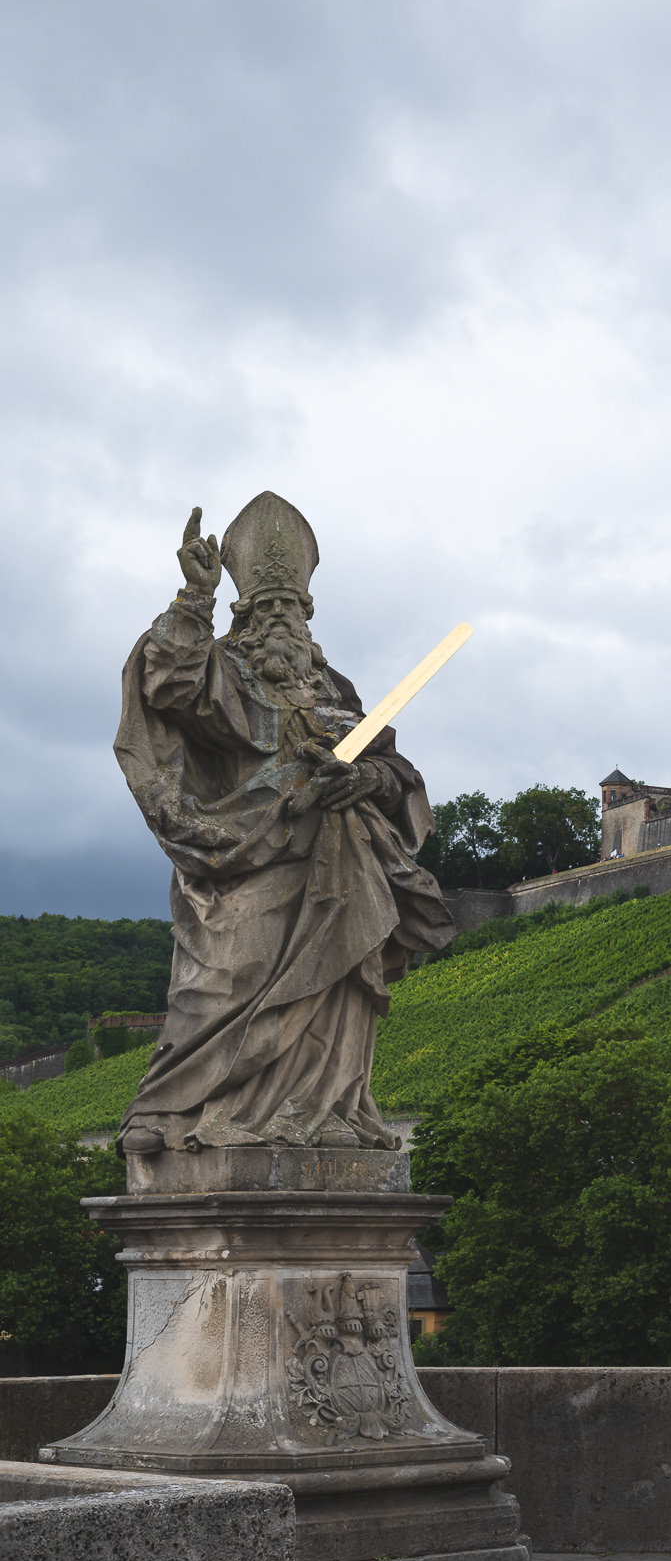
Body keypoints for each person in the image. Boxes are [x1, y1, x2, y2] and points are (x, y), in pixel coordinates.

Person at [114, 490, 454, 1153]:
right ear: (242, 615)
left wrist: (363, 778)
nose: (280, 621)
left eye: (290, 610)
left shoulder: (335, 690)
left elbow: (393, 769)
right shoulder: (225, 670)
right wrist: (194, 598)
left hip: (340, 864)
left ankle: (322, 1113)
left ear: (307, 617)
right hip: (243, 855)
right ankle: (168, 1110)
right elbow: (170, 683)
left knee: (335, 987)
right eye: (266, 609)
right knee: (222, 981)